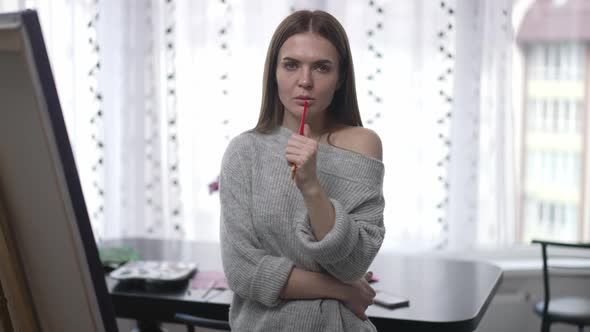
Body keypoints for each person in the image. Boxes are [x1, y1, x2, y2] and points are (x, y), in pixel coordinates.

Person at [219, 9, 385, 331]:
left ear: (340, 79)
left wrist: (311, 186)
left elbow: (353, 264)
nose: (305, 81)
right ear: (274, 73)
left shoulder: (363, 144)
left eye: (321, 68)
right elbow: (242, 271)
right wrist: (341, 289)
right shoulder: (244, 152)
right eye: (291, 65)